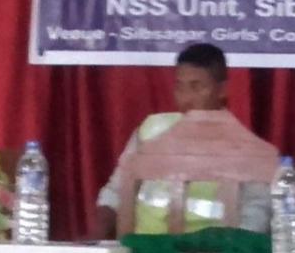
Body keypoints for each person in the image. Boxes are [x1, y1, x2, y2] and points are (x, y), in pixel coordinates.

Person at [91, 42, 236, 238]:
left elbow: (254, 217)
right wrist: (95, 241)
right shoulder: (151, 129)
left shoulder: (243, 148)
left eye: (196, 87)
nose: (185, 98)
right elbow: (116, 192)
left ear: (222, 90)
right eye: (180, 87)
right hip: (141, 250)